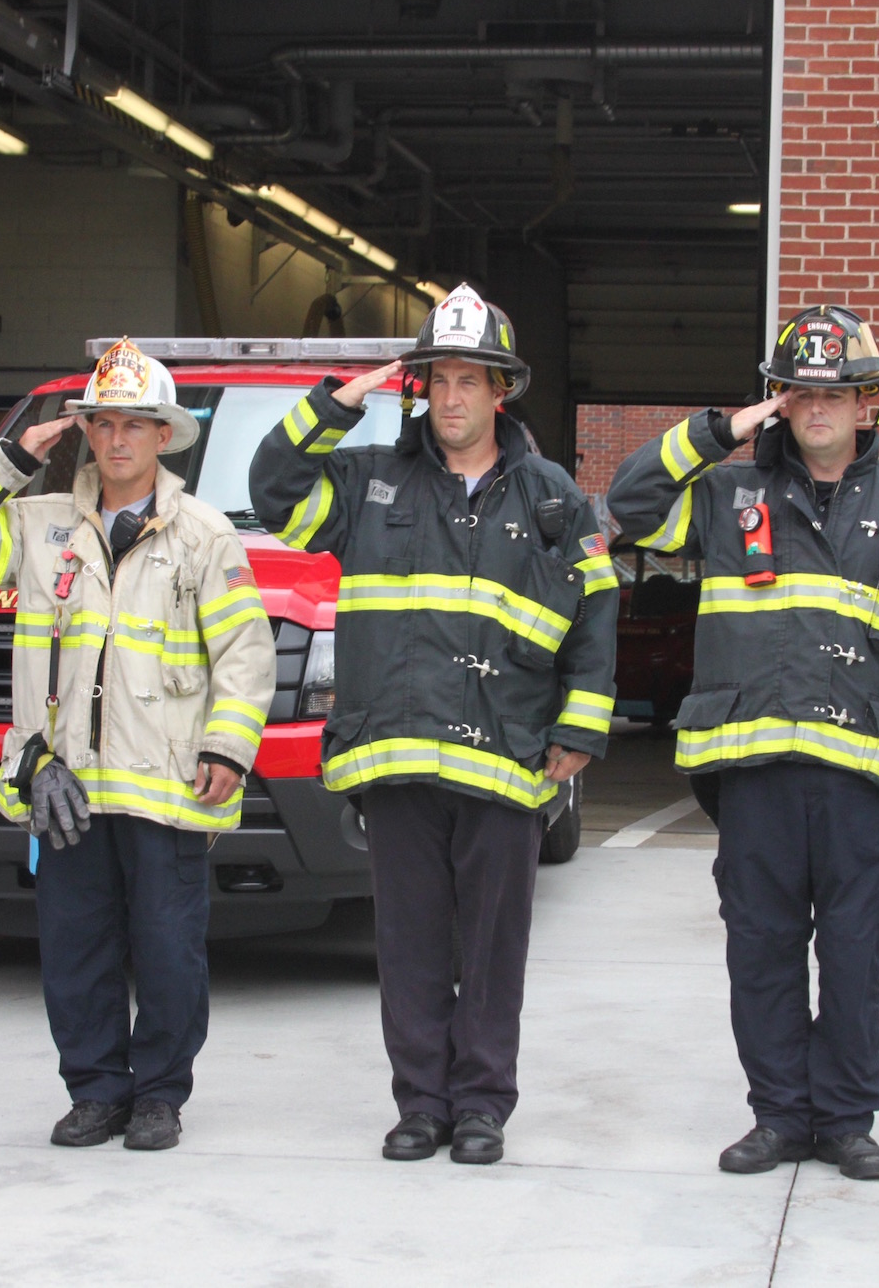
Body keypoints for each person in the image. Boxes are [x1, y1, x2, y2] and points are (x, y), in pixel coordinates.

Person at [606, 305, 879, 1177]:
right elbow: (629, 502)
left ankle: (847, 1118)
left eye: (837, 392)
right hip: (754, 774)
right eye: (799, 392)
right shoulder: (724, 496)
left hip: (865, 778)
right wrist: (718, 431)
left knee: (854, 956)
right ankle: (778, 1114)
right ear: (778, 403)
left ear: (868, 405)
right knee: (762, 951)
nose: (818, 407)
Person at [248, 284, 618, 1165]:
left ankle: (482, 1105)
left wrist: (581, 727)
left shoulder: (553, 497)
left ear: (502, 391)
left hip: (505, 758)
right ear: (418, 389)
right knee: (409, 943)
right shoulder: (366, 480)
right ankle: (421, 1102)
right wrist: (335, 401)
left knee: (492, 948)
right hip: (398, 753)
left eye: (470, 380)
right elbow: (273, 488)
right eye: (437, 379)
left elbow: (597, 609)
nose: (452, 397)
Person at [0, 338, 275, 1151]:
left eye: (135, 424)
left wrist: (227, 748)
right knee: (75, 951)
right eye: (102, 423)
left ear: (163, 436)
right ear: (84, 432)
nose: (116, 439)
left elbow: (245, 656)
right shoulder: (39, 529)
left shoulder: (205, 535)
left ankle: (157, 1096)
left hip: (167, 784)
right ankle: (96, 1091)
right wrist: (9, 457)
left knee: (168, 951)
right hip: (66, 784)